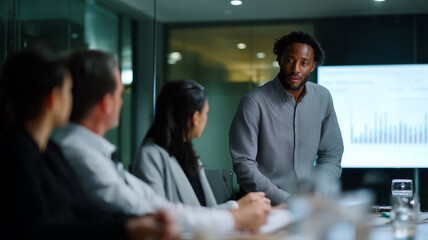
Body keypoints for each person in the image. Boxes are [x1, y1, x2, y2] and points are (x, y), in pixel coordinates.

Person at [54, 49, 270, 234]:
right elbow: (154, 212)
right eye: (120, 93)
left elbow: (157, 205)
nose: (122, 102)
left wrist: (235, 210)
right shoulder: (80, 153)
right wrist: (235, 217)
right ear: (106, 103)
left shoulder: (91, 151)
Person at [0, 45, 179, 240]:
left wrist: (134, 224)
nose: (73, 98)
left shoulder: (49, 151)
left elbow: (83, 210)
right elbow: (40, 230)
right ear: (53, 98)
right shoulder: (16, 155)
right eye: (69, 90)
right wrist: (128, 229)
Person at [229, 31, 344, 206]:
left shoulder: (323, 97)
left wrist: (318, 192)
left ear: (312, 66)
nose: (296, 69)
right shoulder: (253, 102)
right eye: (290, 60)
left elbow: (331, 154)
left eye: (304, 63)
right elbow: (243, 164)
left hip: (308, 207)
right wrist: (286, 201)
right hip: (263, 205)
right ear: (279, 60)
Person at [132, 80, 271, 210]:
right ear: (195, 118)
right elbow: (160, 217)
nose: (206, 118)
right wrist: (235, 207)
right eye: (206, 113)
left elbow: (207, 213)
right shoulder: (150, 156)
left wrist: (239, 207)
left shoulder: (190, 158)